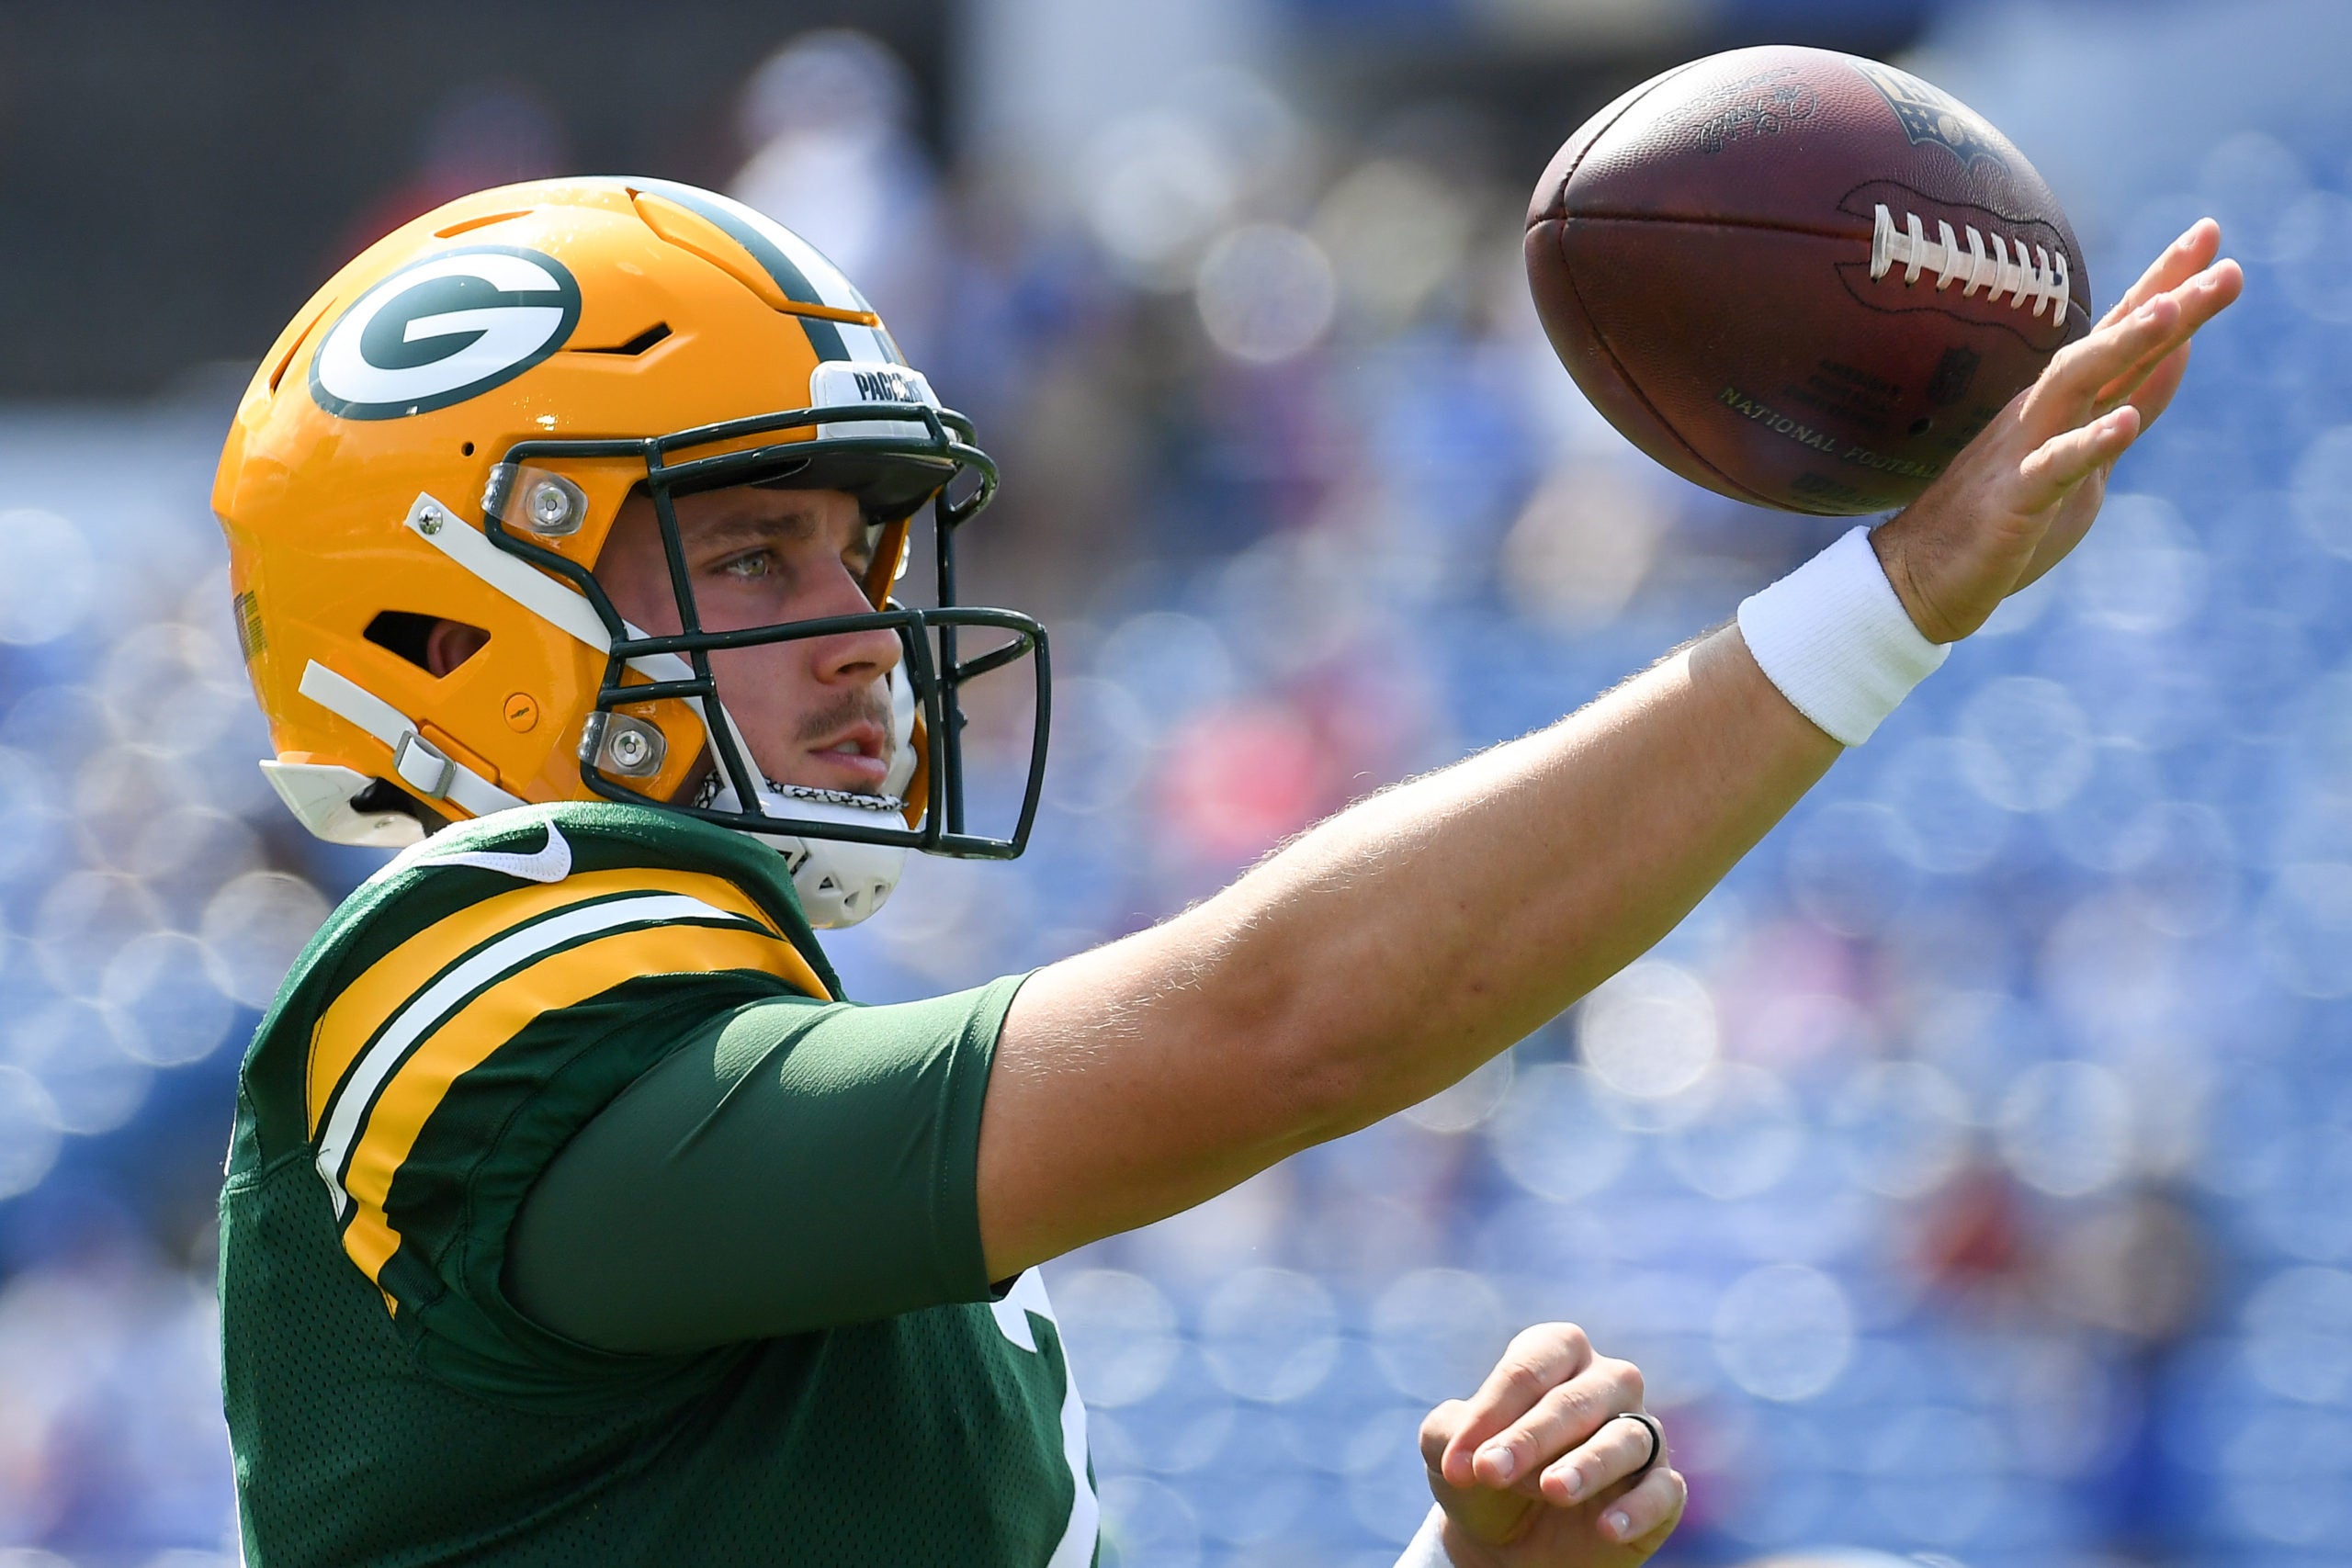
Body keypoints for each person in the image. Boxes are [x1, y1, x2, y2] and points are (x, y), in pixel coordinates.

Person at [209, 172, 2236, 1566]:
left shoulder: (782, 1176)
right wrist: (1882, 600)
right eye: (752, 553)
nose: (851, 624)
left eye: (857, 550)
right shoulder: (459, 978)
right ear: (443, 615)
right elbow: (1283, 1022)